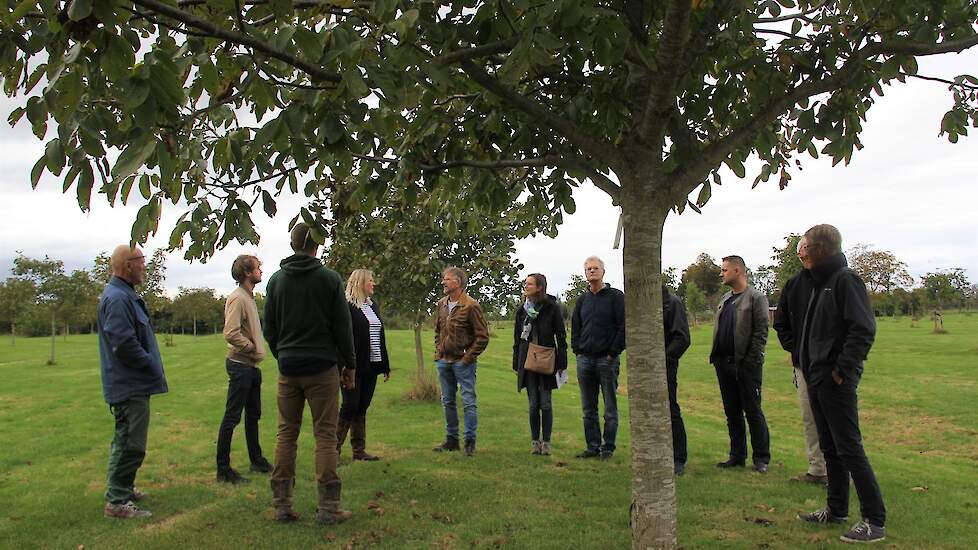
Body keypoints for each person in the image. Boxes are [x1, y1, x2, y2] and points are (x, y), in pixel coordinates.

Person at [795, 224, 886, 544]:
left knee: (849, 448)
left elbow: (862, 330)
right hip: (817, 378)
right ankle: (836, 510)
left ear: (820, 248)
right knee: (830, 448)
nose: (800, 252)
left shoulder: (845, 280)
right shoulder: (821, 283)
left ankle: (874, 521)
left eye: (804, 246)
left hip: (835, 381)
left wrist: (841, 371)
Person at [263, 222, 356, 525]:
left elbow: (270, 329)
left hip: (289, 367)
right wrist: (349, 365)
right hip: (322, 368)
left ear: (292, 245)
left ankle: (281, 505)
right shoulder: (329, 280)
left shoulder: (276, 281)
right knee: (325, 436)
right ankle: (329, 509)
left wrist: (283, 354)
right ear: (316, 245)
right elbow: (343, 327)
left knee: (286, 434)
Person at [98, 245, 168, 519]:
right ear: (128, 265)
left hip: (133, 383)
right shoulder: (118, 299)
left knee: (127, 439)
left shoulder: (124, 295)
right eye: (141, 262)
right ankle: (116, 502)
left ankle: (123, 489)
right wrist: (150, 364)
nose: (145, 267)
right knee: (131, 443)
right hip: (129, 385)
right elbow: (124, 344)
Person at [773, 237, 828, 486]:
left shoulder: (838, 281)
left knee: (834, 419)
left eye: (806, 250)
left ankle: (840, 472)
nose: (803, 256)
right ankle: (817, 469)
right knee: (810, 416)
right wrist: (796, 349)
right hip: (803, 365)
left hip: (831, 366)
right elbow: (781, 322)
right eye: (800, 253)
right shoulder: (794, 285)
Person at [710, 255, 771, 473]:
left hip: (746, 366)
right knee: (732, 412)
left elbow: (761, 331)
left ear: (737, 271)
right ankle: (737, 455)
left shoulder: (755, 298)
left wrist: (749, 361)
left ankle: (761, 458)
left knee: (753, 412)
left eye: (724, 270)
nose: (721, 273)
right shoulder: (725, 299)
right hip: (723, 364)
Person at [216, 254, 272, 484]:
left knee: (253, 415)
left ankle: (256, 460)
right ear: (248, 273)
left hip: (250, 366)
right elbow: (230, 332)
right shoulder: (238, 298)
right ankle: (223, 470)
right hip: (240, 365)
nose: (261, 270)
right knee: (232, 417)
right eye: (258, 268)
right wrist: (250, 348)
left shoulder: (248, 296)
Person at [571, 256, 626, 459]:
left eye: (595, 268)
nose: (592, 271)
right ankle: (592, 447)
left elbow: (623, 326)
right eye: (588, 269)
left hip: (607, 359)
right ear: (585, 274)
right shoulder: (582, 300)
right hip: (585, 359)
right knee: (588, 408)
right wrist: (577, 349)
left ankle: (608, 447)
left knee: (609, 407)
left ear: (603, 272)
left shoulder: (615, 297)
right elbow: (575, 326)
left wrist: (613, 352)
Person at [432, 266, 490, 457]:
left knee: (468, 402)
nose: (443, 282)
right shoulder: (441, 304)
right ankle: (452, 440)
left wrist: (467, 357)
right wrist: (438, 352)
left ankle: (470, 442)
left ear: (457, 282)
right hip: (444, 361)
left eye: (446, 279)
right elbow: (438, 331)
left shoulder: (471, 305)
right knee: (447, 401)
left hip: (462, 363)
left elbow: (482, 336)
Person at [336, 269, 391, 461]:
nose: (373, 283)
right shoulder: (347, 307)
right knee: (350, 405)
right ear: (360, 283)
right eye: (370, 280)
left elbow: (379, 336)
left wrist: (384, 365)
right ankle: (333, 451)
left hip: (372, 365)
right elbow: (341, 338)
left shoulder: (372, 306)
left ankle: (358, 451)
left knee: (362, 406)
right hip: (352, 366)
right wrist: (343, 365)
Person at [512, 274, 568, 456]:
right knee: (533, 404)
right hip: (527, 362)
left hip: (546, 361)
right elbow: (516, 340)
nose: (525, 286)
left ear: (539, 287)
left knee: (546, 404)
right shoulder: (522, 311)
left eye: (529, 284)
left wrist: (562, 362)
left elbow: (560, 336)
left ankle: (547, 442)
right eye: (525, 284)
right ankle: (535, 442)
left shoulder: (552, 308)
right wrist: (516, 363)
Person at [662, 285, 691, 475]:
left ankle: (678, 458)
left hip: (665, 365)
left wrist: (665, 359)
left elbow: (682, 338)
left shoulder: (672, 303)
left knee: (670, 409)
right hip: (643, 367)